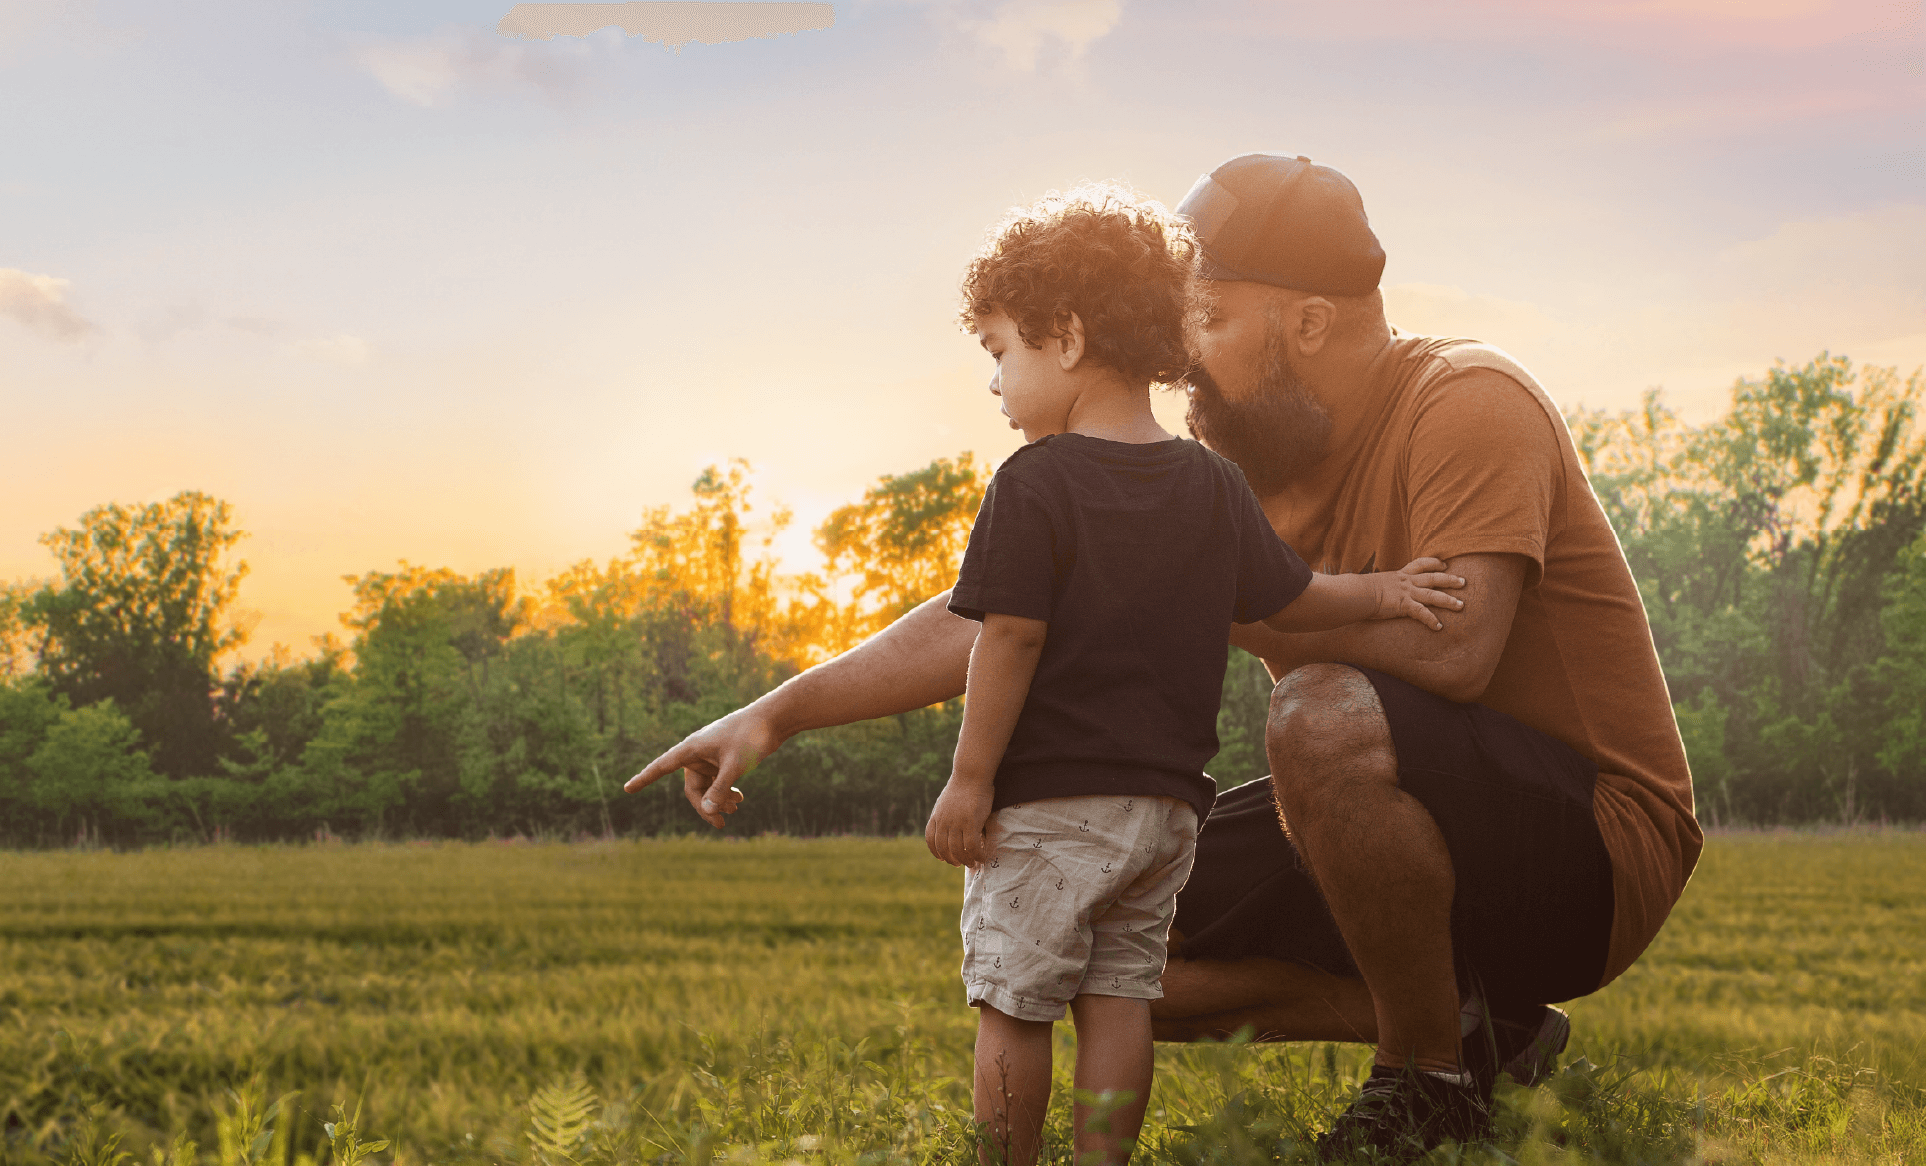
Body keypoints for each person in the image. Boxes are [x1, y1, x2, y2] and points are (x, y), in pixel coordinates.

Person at [623, 154, 1699, 1164]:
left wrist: (1224, 612)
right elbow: (993, 610)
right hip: (1384, 820)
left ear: (1310, 321)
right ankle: (1475, 1027)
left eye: (1212, 320)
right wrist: (775, 713)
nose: (1183, 355)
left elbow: (1459, 653)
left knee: (1315, 713)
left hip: (1591, 847)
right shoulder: (1237, 456)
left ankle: (1426, 1080)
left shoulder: (1466, 400)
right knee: (1099, 928)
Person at [929, 183, 1467, 1166]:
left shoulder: (1034, 482)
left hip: (1049, 801)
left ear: (1069, 337)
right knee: (1117, 994)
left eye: (1000, 351)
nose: (995, 384)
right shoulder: (1209, 481)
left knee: (1013, 998)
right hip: (1164, 810)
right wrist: (1388, 591)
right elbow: (1292, 597)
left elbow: (1003, 640)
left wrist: (970, 780)